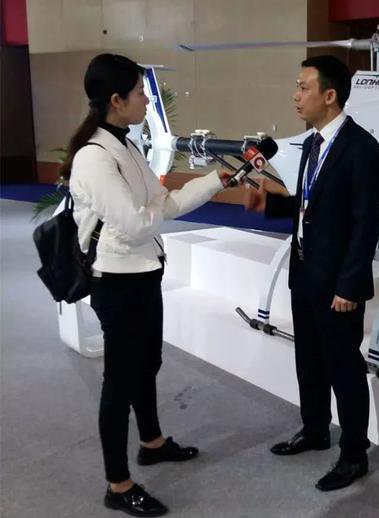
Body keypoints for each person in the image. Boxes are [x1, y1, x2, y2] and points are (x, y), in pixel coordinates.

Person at [64, 53, 229, 516]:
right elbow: (138, 224)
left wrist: (215, 180)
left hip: (143, 273)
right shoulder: (94, 157)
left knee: (147, 363)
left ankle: (151, 443)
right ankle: (118, 485)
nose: (146, 101)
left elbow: (162, 203)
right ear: (116, 100)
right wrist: (157, 210)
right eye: (140, 93)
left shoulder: (127, 147)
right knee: (121, 381)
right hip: (116, 282)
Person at [244, 55, 379, 491]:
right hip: (305, 273)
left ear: (330, 95)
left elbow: (365, 224)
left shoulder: (361, 148)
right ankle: (315, 429)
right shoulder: (313, 144)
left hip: (338, 284)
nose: (295, 95)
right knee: (308, 358)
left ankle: (354, 453)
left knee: (344, 368)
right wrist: (270, 201)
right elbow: (311, 204)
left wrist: (350, 285)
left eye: (303, 87)